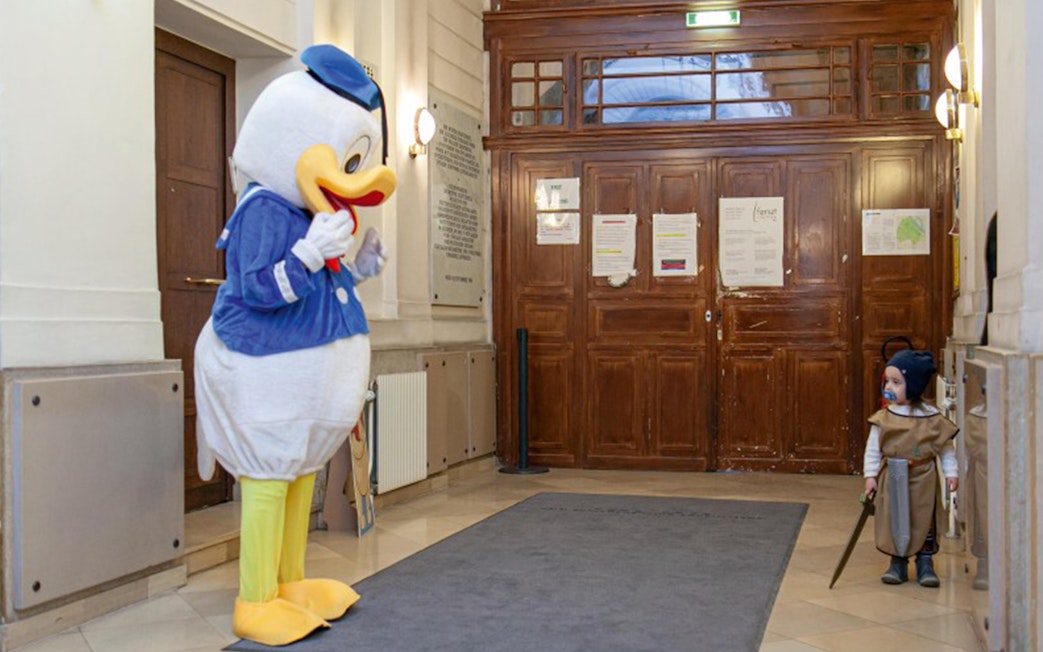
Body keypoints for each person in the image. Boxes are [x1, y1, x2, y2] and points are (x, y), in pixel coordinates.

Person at [863, 349, 958, 587]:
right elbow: (873, 449)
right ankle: (898, 563)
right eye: (888, 381)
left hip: (922, 477)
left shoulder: (931, 417)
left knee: (923, 519)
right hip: (893, 476)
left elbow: (945, 448)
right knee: (896, 517)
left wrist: (951, 473)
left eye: (897, 382)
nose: (890, 387)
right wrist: (870, 476)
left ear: (914, 386)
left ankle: (925, 563)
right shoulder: (884, 417)